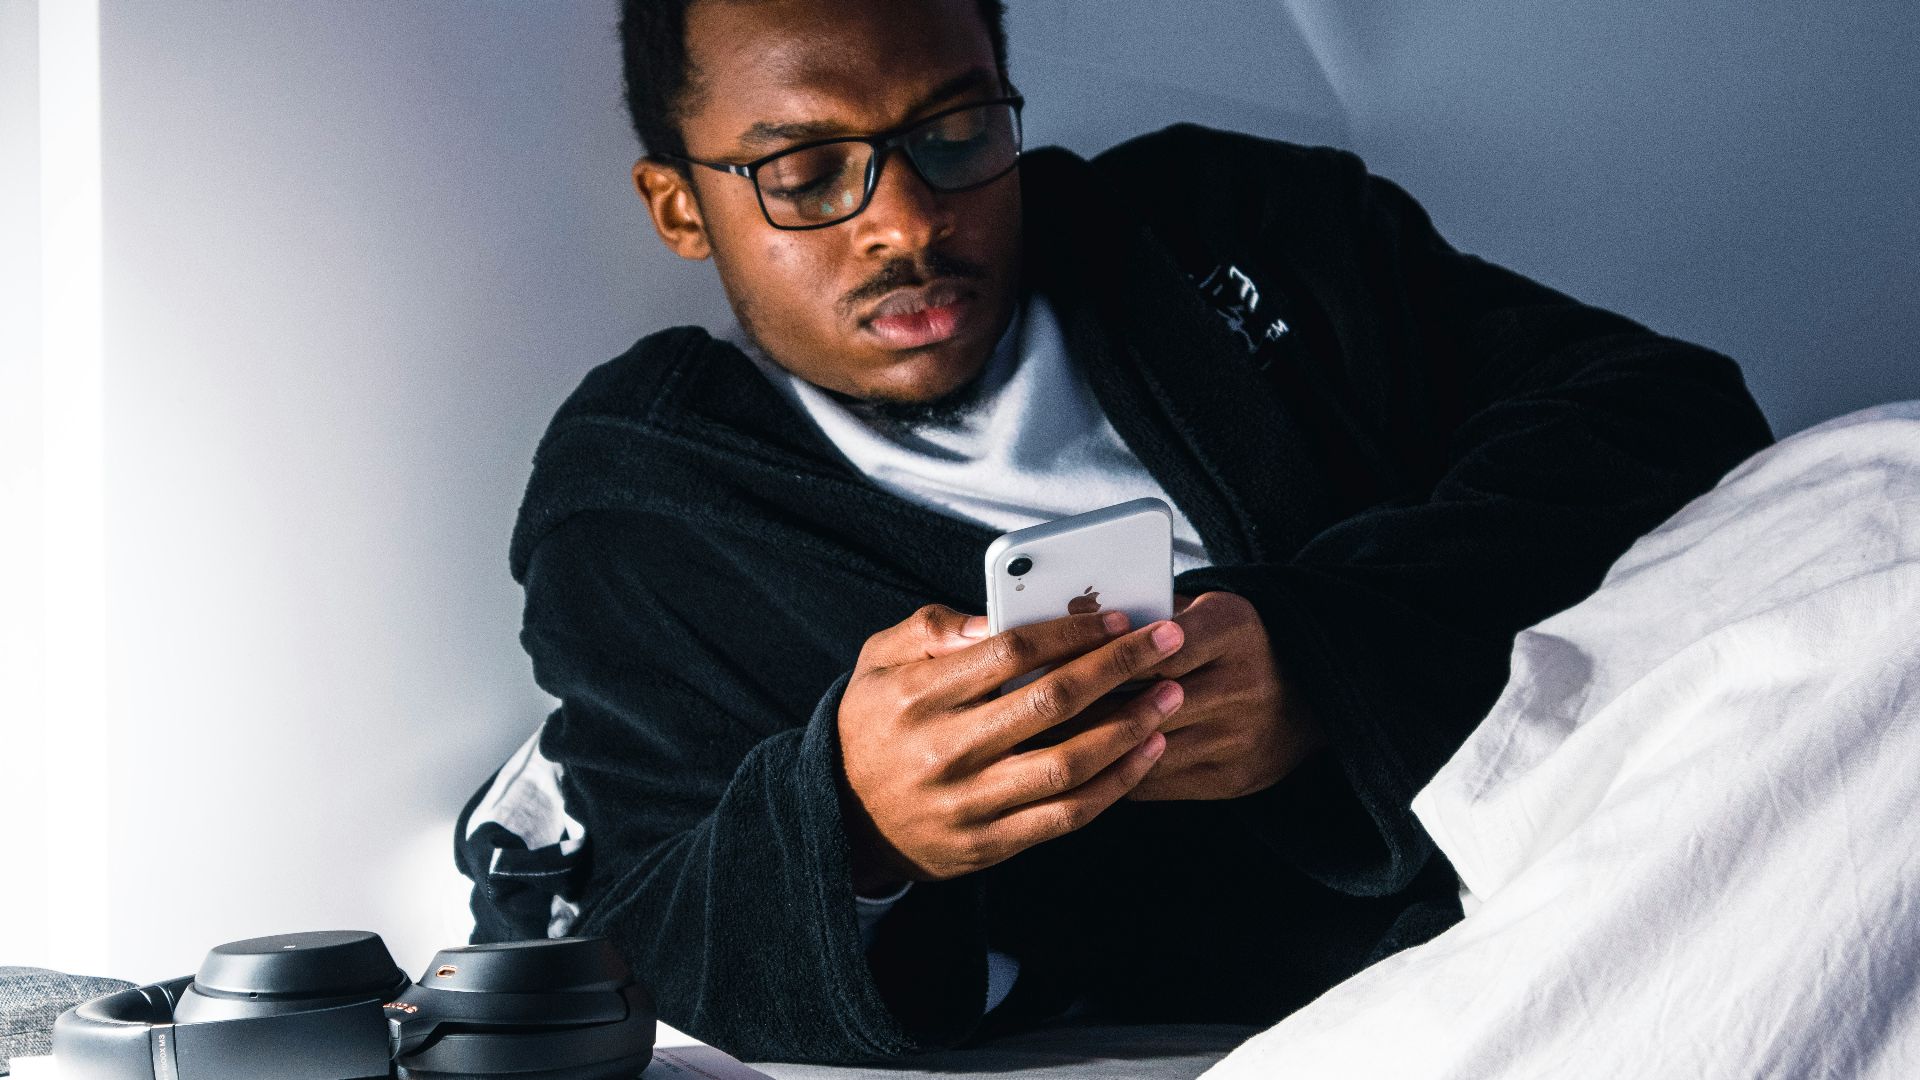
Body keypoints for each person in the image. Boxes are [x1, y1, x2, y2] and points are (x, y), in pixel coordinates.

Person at [454, 0, 1773, 1065]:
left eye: (957, 134)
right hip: (1340, 1001)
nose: (907, 222)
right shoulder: (645, 511)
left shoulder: (1228, 225)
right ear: (681, 206)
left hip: (1618, 815)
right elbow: (633, 926)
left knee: (1873, 472)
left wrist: (1327, 658)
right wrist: (853, 829)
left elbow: (1660, 408)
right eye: (804, 174)